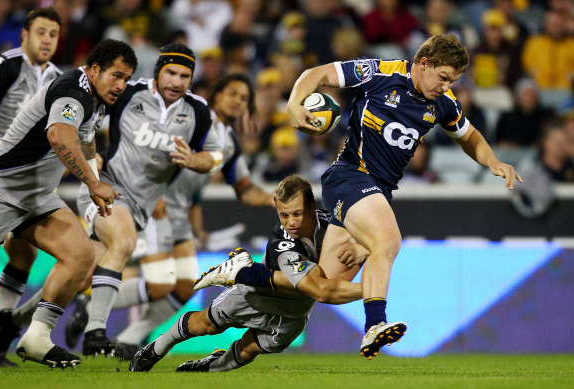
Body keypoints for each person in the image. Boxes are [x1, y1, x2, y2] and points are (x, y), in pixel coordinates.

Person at [285, 34, 522, 359]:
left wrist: (492, 161)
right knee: (389, 241)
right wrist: (294, 102)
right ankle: (375, 324)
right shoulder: (380, 73)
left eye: (452, 81)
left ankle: (247, 275)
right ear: (424, 63)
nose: (445, 86)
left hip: (374, 193)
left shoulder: (443, 103)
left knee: (323, 287)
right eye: (443, 77)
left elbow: (469, 137)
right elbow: (320, 73)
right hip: (351, 176)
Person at [69, 73, 274, 360]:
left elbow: (246, 190)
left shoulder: (228, 141)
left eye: (244, 98)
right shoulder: (191, 119)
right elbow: (153, 153)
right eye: (233, 94)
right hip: (153, 205)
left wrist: (277, 198)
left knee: (186, 284)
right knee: (158, 283)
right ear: (216, 96)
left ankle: (129, 338)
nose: (238, 102)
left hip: (176, 215)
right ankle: (85, 311)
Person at [0, 38, 137, 368]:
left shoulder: (97, 101)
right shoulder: (73, 89)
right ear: (94, 69)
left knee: (81, 255)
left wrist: (93, 173)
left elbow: (83, 139)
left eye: (127, 79)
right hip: (0, 188)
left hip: (37, 197)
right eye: (116, 75)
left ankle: (37, 338)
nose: (121, 85)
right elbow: (59, 135)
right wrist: (94, 182)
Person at [74, 43, 223, 358]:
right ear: (158, 72)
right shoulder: (129, 93)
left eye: (185, 76)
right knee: (149, 269)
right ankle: (98, 332)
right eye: (171, 72)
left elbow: (216, 155)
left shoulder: (197, 110)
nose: (177, 82)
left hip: (149, 207)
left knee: (78, 273)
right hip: (108, 190)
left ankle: (12, 324)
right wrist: (91, 158)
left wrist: (196, 160)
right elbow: (87, 121)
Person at [129, 175, 365, 373]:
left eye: (297, 213)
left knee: (248, 348)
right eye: (283, 215)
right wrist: (373, 289)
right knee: (206, 325)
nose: (290, 223)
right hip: (254, 297)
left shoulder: (333, 227)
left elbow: (373, 238)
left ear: (313, 208)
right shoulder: (282, 245)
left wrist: (363, 247)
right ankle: (155, 349)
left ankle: (207, 367)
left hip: (293, 313)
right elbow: (321, 291)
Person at [0, 7, 61, 367]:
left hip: (26, 185)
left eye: (53, 34)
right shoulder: (2, 67)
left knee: (23, 254)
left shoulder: (58, 81)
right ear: (24, 35)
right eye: (41, 32)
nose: (47, 39)